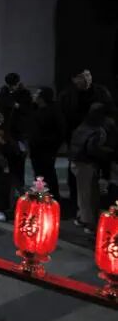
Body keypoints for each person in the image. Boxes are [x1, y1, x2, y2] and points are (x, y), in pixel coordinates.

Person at [60, 68, 114, 203]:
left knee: (100, 164)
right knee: (77, 166)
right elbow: (62, 115)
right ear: (74, 79)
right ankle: (75, 199)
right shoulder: (67, 95)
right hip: (76, 135)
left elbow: (110, 111)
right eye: (81, 76)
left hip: (98, 133)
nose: (86, 78)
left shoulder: (101, 92)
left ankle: (101, 197)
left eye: (88, 75)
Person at [70, 103, 112, 234]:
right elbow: (92, 149)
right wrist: (106, 153)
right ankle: (89, 223)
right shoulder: (98, 129)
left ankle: (81, 217)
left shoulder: (84, 124)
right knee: (88, 195)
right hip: (86, 163)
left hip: (76, 162)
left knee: (83, 193)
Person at [0, 73, 32, 190]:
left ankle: (20, 185)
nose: (12, 87)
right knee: (7, 158)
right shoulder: (3, 94)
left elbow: (29, 110)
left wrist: (17, 105)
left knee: (19, 158)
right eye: (10, 85)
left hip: (20, 132)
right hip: (6, 130)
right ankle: (10, 185)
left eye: (14, 84)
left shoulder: (24, 93)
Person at [29, 87, 66, 200]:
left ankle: (53, 198)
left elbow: (60, 131)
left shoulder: (53, 111)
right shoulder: (35, 109)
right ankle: (40, 197)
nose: (34, 96)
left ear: (42, 98)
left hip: (47, 148)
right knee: (38, 174)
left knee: (48, 173)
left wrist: (50, 143)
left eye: (37, 94)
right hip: (35, 148)